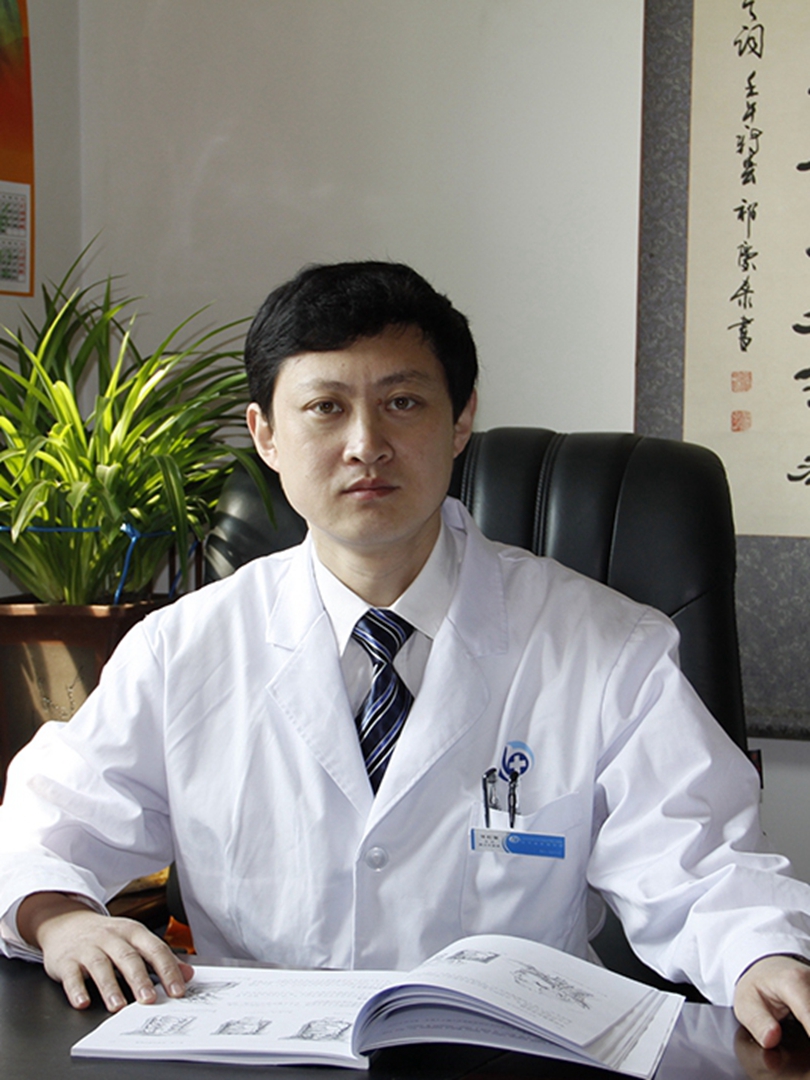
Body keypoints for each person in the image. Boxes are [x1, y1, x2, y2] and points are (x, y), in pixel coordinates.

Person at [1, 261, 809, 1050]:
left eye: (403, 402)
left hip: (508, 1058)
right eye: (325, 407)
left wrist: (761, 957)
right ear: (266, 435)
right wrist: (60, 917)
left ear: (460, 422)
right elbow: (46, 824)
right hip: (259, 1055)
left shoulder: (606, 646)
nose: (366, 444)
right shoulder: (183, 650)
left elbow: (700, 864)